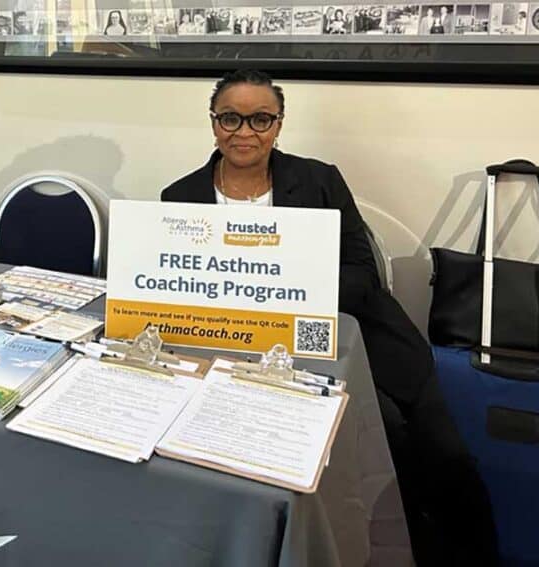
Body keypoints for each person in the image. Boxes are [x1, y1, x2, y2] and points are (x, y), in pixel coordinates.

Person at [160, 69, 499, 566]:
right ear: (214, 123)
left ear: (278, 125)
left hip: (345, 330)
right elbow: (174, 288)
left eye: (260, 119)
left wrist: (276, 284)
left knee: (425, 447)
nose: (245, 132)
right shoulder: (179, 198)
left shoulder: (319, 180)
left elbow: (363, 275)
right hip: (234, 347)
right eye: (231, 118)